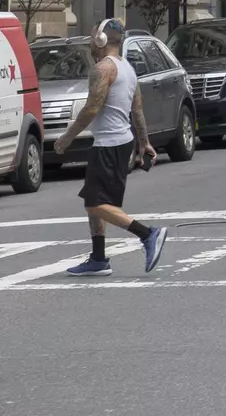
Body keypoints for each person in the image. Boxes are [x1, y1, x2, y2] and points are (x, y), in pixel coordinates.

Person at [53, 20, 169, 276]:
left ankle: (148, 234)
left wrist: (67, 138)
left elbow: (91, 108)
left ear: (102, 40)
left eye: (94, 34)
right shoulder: (127, 68)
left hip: (109, 143)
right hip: (120, 141)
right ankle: (98, 258)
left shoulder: (102, 68)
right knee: (94, 202)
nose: (90, 37)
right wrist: (144, 142)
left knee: (96, 204)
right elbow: (136, 108)